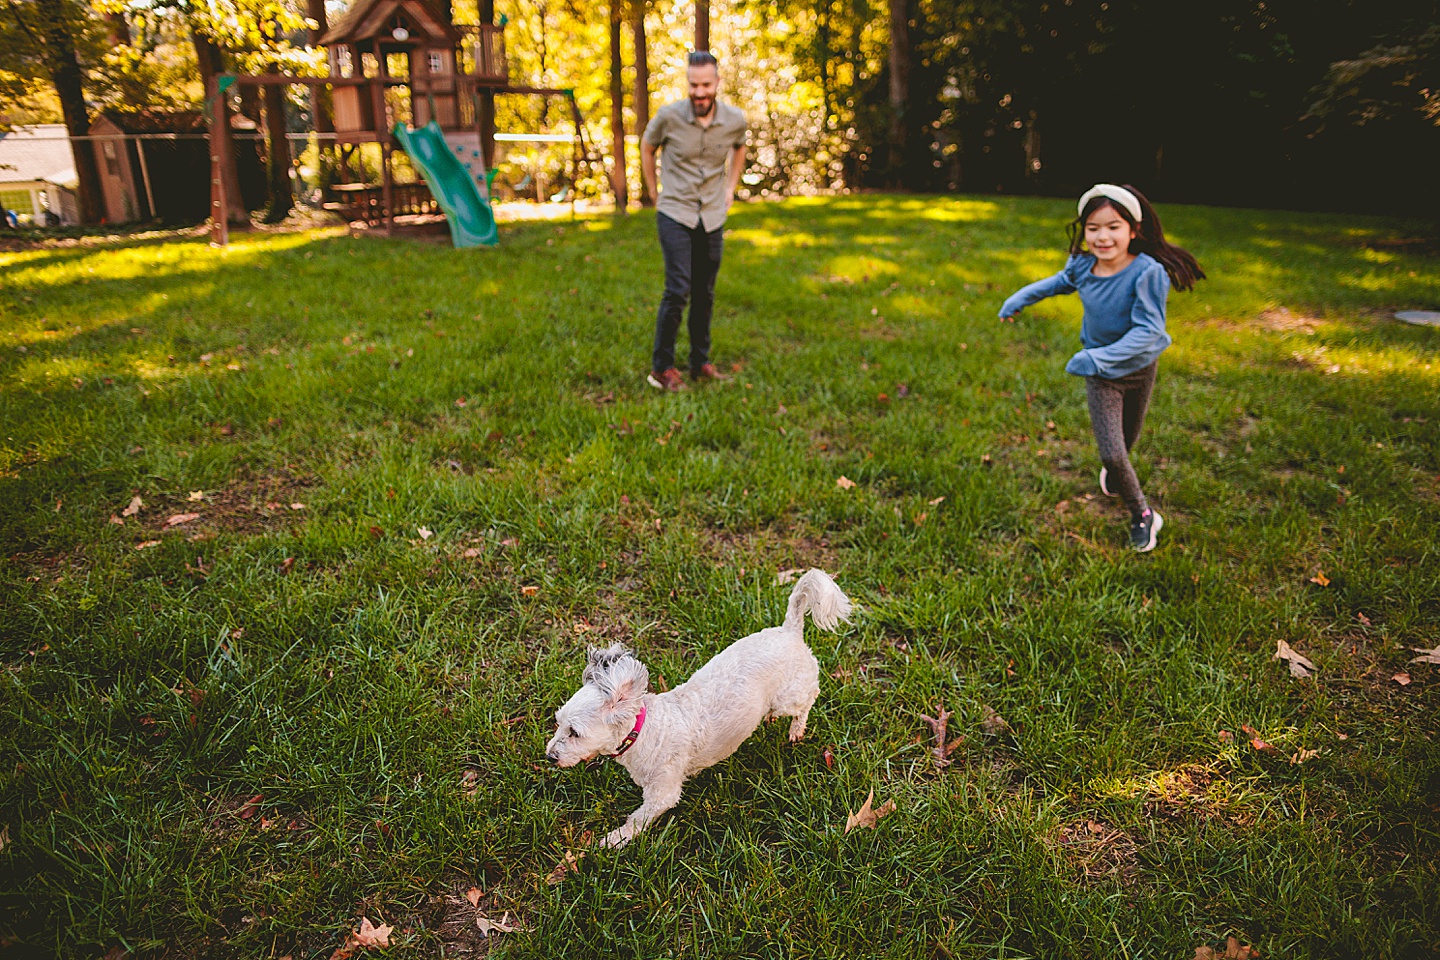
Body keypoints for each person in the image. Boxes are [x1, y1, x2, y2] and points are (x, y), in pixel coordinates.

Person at [998, 183, 1205, 552]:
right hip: (1101, 376)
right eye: (1093, 228)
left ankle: (1117, 474)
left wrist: (1096, 357)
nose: (1102, 236)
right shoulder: (1082, 266)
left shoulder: (1147, 272)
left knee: (1126, 441)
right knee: (1112, 453)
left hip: (1139, 368)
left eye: (1113, 227)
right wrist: (1019, 299)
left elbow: (1147, 332)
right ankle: (1143, 514)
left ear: (1133, 230)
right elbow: (1057, 284)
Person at [640, 51, 749, 392]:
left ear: (717, 83)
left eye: (706, 85)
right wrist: (654, 194)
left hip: (712, 215)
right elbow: (647, 146)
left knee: (705, 291)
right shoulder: (669, 116)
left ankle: (699, 362)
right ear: (686, 83)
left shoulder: (734, 119)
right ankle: (662, 368)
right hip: (675, 211)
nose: (699, 92)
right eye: (693, 85)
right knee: (678, 289)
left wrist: (731, 187)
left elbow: (740, 147)